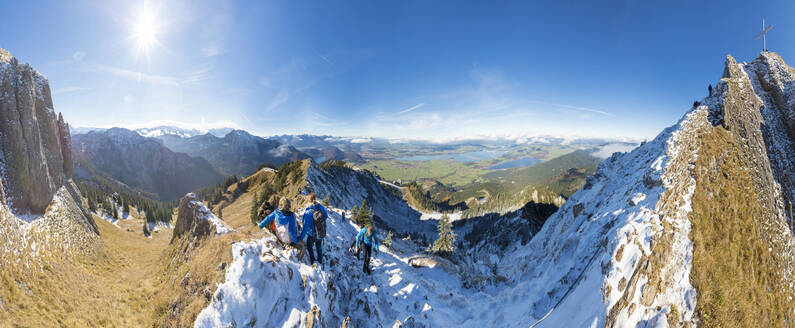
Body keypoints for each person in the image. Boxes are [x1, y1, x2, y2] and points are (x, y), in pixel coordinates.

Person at [301, 194, 329, 265]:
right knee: (318, 246)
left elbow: (305, 227)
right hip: (321, 231)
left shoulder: (308, 212)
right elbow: (326, 216)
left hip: (312, 234)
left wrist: (301, 238)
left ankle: (313, 261)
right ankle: (320, 260)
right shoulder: (320, 206)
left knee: (309, 246)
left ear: (308, 201)